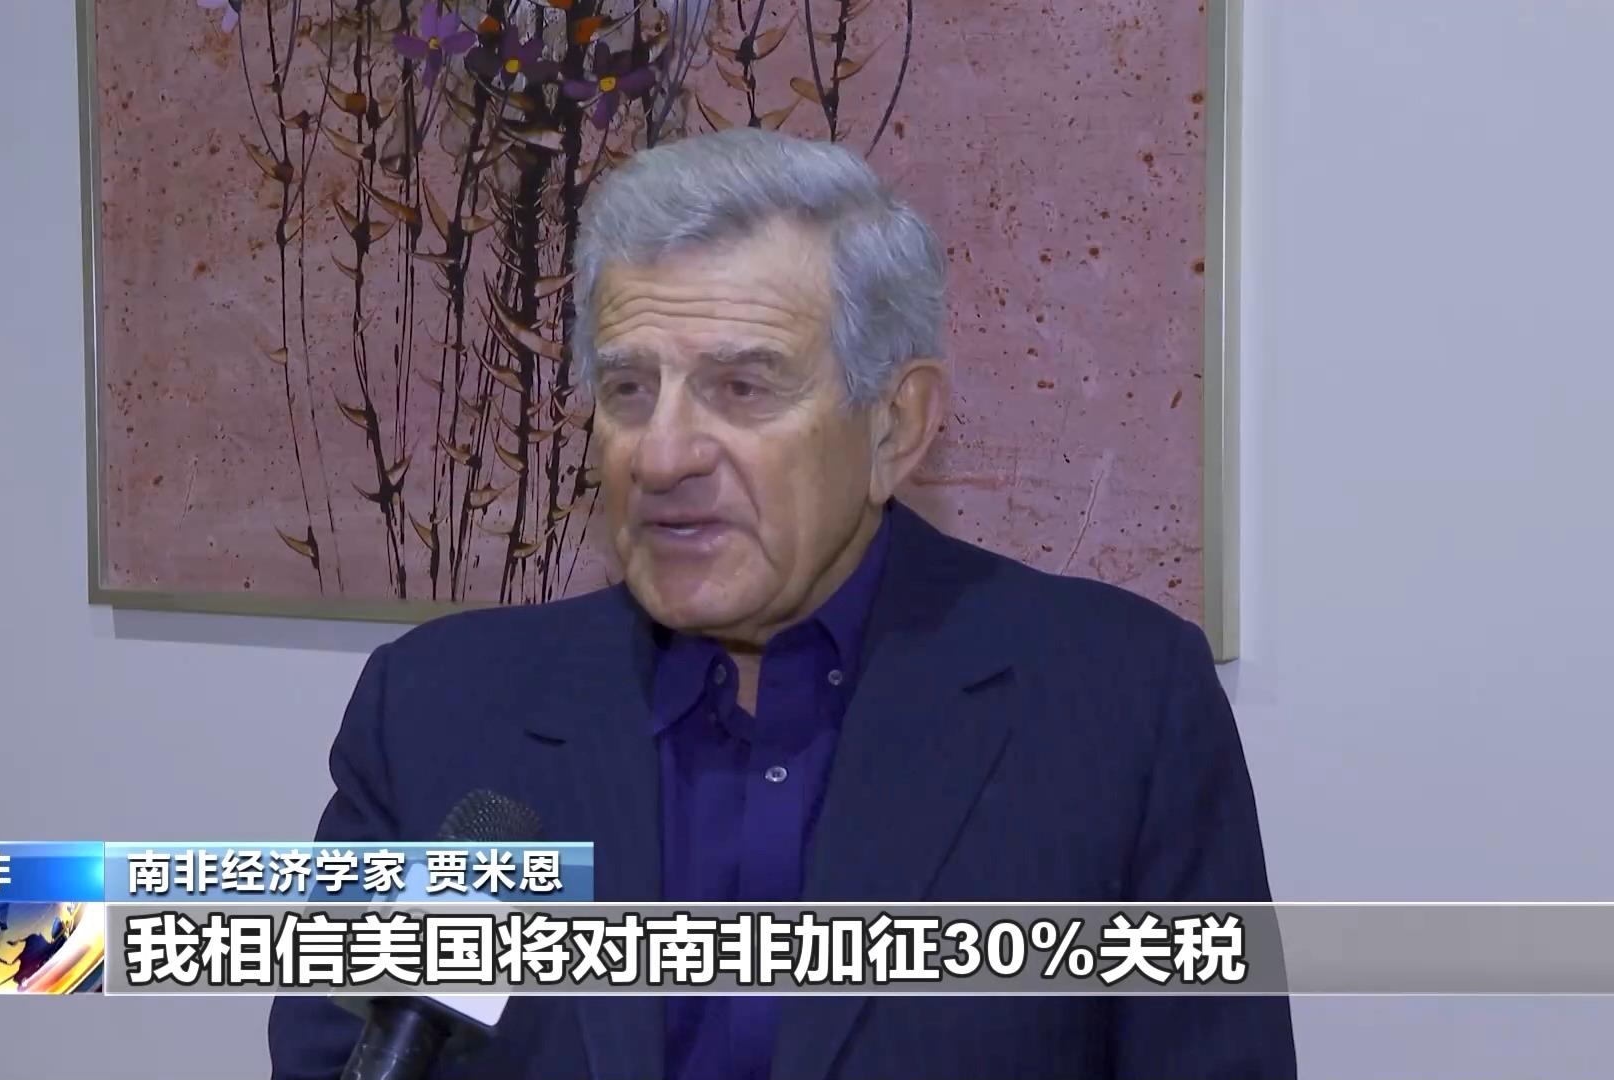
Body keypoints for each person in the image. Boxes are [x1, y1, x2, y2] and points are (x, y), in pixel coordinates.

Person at [269, 128, 1295, 1080]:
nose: (661, 455)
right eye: (629, 391)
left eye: (743, 388)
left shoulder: (1120, 708)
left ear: (895, 427)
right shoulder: (440, 714)